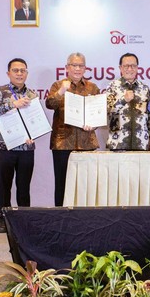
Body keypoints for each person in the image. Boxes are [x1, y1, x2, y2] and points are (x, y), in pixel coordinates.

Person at [0, 58, 38, 233]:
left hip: (26, 148)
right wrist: (12, 104)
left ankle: (24, 220)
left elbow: (35, 120)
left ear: (27, 73)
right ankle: (4, 220)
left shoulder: (32, 94)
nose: (19, 73)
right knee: (4, 185)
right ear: (8, 73)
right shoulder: (0, 91)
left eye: (23, 70)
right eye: (15, 70)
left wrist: (32, 134)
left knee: (24, 187)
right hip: (4, 148)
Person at [45, 52, 100, 206]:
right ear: (67, 67)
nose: (77, 68)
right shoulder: (58, 85)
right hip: (62, 143)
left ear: (85, 68)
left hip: (86, 143)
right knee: (62, 183)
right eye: (74, 65)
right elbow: (49, 104)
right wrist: (61, 91)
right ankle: (60, 218)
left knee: (86, 185)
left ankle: (85, 218)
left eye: (80, 65)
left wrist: (93, 124)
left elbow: (98, 114)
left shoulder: (92, 87)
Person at [106, 52, 150, 150]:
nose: (130, 69)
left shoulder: (144, 88)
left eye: (133, 66)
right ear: (120, 68)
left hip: (141, 144)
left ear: (137, 68)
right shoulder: (112, 87)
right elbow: (107, 110)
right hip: (118, 143)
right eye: (126, 66)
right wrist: (123, 100)